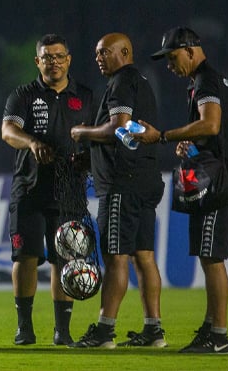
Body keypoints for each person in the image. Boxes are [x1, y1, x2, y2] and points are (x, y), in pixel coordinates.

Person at [132, 26, 228, 354]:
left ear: (191, 50)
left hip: (219, 180)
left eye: (172, 57)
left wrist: (165, 136)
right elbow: (209, 132)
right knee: (209, 255)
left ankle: (220, 338)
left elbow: (211, 124)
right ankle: (211, 329)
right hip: (215, 174)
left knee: (212, 257)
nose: (169, 65)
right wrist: (188, 142)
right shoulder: (204, 81)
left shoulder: (206, 80)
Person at [69, 33, 165, 349]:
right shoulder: (141, 81)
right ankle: (153, 330)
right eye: (96, 53)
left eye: (104, 52)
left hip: (122, 185)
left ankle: (105, 331)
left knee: (116, 258)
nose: (98, 57)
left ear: (124, 52)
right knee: (144, 257)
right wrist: (92, 157)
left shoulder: (122, 82)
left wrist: (82, 132)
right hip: (144, 180)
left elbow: (118, 128)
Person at [0, 34, 94, 346]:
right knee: (26, 257)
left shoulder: (86, 96)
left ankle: (62, 331)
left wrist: (89, 159)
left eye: (58, 56)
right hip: (29, 189)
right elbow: (8, 130)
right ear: (37, 61)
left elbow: (97, 137)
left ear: (68, 59)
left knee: (64, 260)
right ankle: (24, 327)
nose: (53, 61)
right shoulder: (23, 95)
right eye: (47, 56)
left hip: (69, 191)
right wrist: (32, 142)